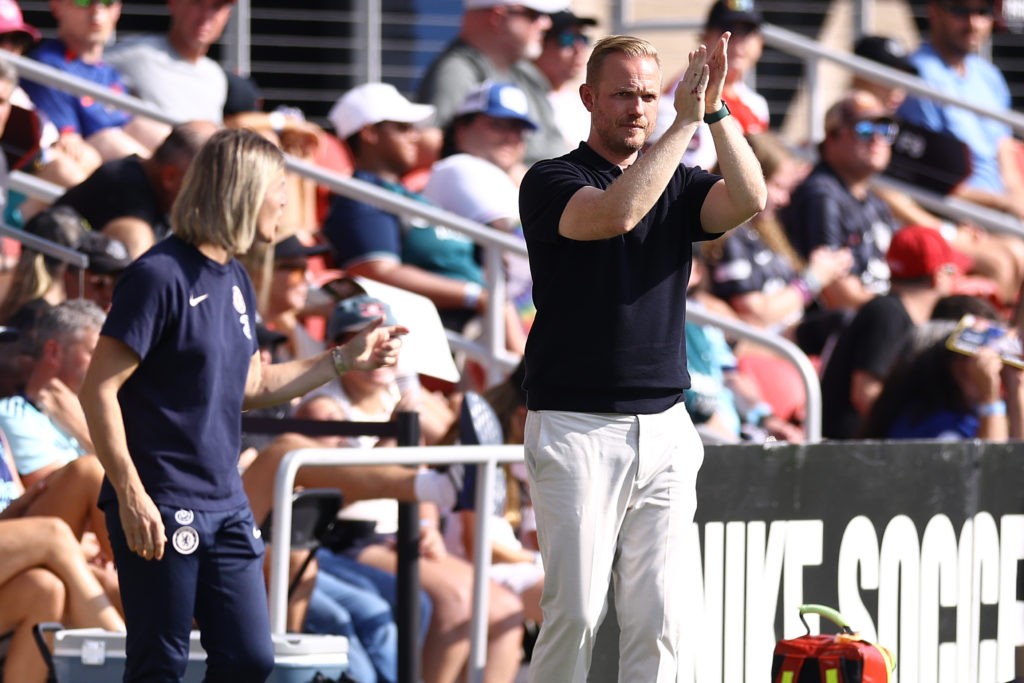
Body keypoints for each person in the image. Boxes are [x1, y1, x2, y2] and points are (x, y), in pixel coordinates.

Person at [78, 128, 408, 682]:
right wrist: (132, 493)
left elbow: (251, 383)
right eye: (279, 188)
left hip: (226, 503)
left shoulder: (234, 276)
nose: (285, 202)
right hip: (161, 500)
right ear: (243, 190)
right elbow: (98, 389)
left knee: (250, 657)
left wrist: (343, 361)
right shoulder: (157, 275)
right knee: (159, 664)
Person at [518, 32, 766, 681]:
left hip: (664, 426)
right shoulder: (550, 179)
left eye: (649, 95)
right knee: (572, 616)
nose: (638, 106)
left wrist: (713, 110)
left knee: (662, 622)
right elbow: (617, 214)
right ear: (588, 98)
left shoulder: (680, 181)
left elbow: (750, 198)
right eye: (623, 93)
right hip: (575, 426)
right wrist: (683, 121)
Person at [321, 83, 503, 341]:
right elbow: (376, 271)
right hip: (448, 331)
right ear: (370, 133)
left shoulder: (406, 194)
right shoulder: (359, 196)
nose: (415, 136)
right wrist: (476, 295)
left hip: (481, 319)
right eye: (403, 128)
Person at [819, 224, 967, 439]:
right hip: (850, 451)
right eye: (952, 271)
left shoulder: (893, 312)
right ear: (939, 276)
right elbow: (865, 393)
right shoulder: (887, 314)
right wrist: (910, 436)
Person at [423, 80, 537, 334]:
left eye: (519, 129)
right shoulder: (458, 166)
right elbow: (502, 241)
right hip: (491, 324)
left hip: (520, 317)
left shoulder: (507, 177)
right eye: (498, 125)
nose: (511, 137)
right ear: (461, 129)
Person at [896, 0, 1024, 220]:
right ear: (934, 11)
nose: (973, 23)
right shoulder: (917, 74)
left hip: (1005, 215)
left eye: (983, 12)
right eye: (960, 10)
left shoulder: (989, 75)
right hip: (957, 215)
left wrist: (1016, 200)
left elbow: (1004, 150)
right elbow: (927, 177)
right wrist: (1005, 204)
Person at [780, 90, 898, 313]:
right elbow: (837, 293)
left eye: (885, 129)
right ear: (832, 137)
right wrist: (907, 309)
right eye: (864, 129)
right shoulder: (821, 195)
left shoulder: (873, 200)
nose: (877, 139)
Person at [415, 0, 570, 167]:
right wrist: (517, 179)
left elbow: (556, 143)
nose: (546, 23)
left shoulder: (524, 73)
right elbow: (430, 142)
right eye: (534, 15)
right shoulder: (458, 70)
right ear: (498, 18)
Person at [20, 0, 169, 162]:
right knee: (109, 139)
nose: (97, 10)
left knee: (151, 129)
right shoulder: (46, 67)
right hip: (97, 176)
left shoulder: (108, 71)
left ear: (117, 9)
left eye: (107, 2)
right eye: (83, 1)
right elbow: (72, 147)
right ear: (56, 6)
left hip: (122, 171)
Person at [55, 120, 219, 258]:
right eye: (206, 186)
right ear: (170, 176)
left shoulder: (152, 187)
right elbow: (138, 276)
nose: (210, 199)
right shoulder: (125, 190)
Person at [860, 318, 1024, 440]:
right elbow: (992, 471)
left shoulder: (967, 415)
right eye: (966, 356)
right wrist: (989, 400)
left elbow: (1017, 464)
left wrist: (1015, 386)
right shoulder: (930, 422)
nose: (980, 367)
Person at [0, 299, 105, 487]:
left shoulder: (104, 411)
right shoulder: (13, 413)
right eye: (94, 353)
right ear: (54, 351)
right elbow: (57, 495)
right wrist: (84, 433)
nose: (103, 363)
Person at [656, 0, 768, 169]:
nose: (737, 42)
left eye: (747, 32)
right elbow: (688, 172)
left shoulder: (756, 103)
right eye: (728, 31)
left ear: (760, 43)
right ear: (705, 37)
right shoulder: (684, 90)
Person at [107, 0, 235, 124]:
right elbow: (89, 65)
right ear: (173, 3)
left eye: (216, 6)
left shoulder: (215, 76)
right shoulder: (137, 54)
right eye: (197, 2)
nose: (206, 15)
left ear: (227, 15)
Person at [529, 9, 598, 147]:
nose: (579, 48)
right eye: (567, 39)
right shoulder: (523, 97)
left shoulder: (584, 103)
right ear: (540, 42)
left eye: (583, 39)